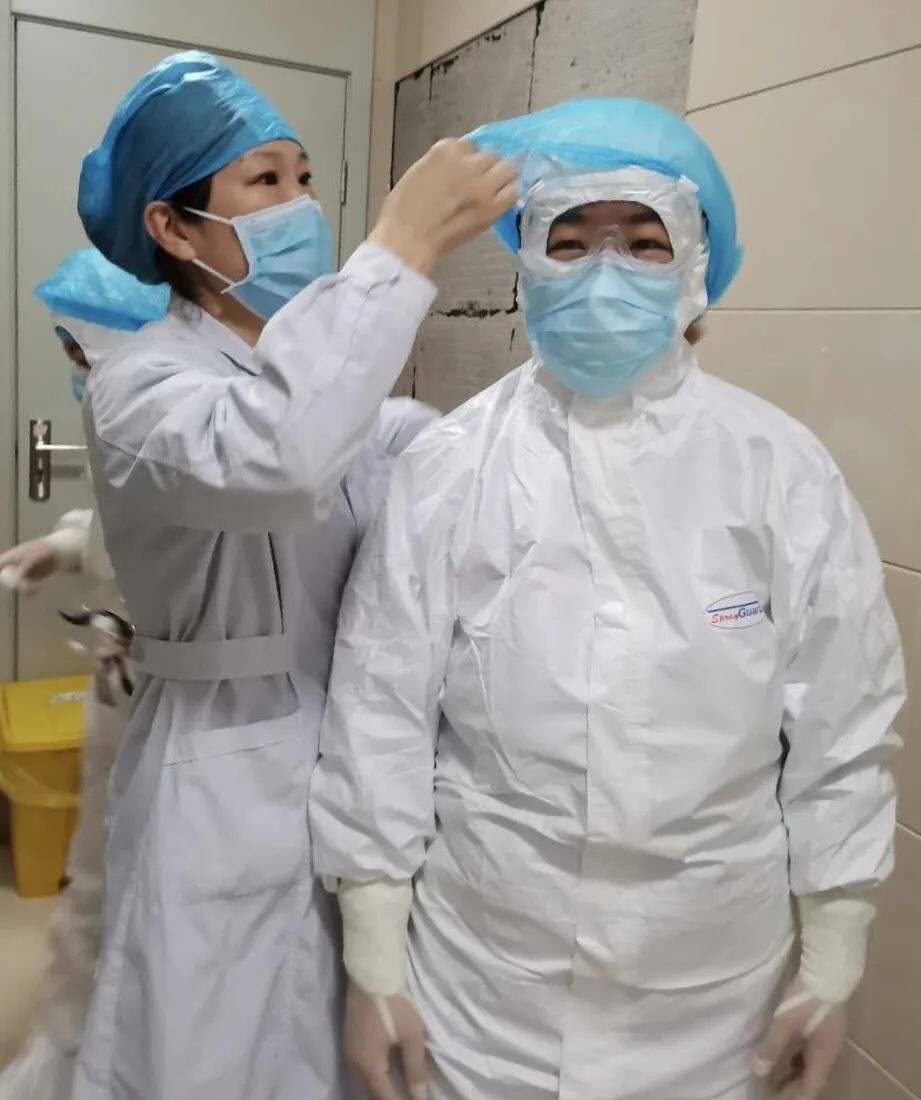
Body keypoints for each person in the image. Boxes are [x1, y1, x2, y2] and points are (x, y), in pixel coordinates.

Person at [309, 98, 905, 1100]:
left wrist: (833, 959)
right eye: (570, 239)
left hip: (715, 987)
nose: (602, 270)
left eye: (641, 241)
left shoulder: (777, 466)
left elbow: (843, 724)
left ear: (694, 265)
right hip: (485, 979)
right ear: (527, 261)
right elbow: (379, 714)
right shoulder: (451, 465)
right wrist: (373, 965)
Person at [70, 49, 515, 1100]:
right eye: (264, 180)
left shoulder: (326, 385)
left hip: (352, 758)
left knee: (337, 1039)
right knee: (207, 1050)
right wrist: (402, 246)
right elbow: (278, 455)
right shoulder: (143, 388)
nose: (300, 204)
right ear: (174, 228)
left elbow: (420, 454)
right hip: (218, 770)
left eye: (305, 177)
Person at [0, 248, 166, 1100]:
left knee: (151, 891)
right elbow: (112, 520)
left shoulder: (185, 427)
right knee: (96, 876)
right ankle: (74, 1053)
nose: (73, 369)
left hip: (177, 703)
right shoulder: (122, 420)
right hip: (122, 683)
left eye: (78, 351)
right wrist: (65, 547)